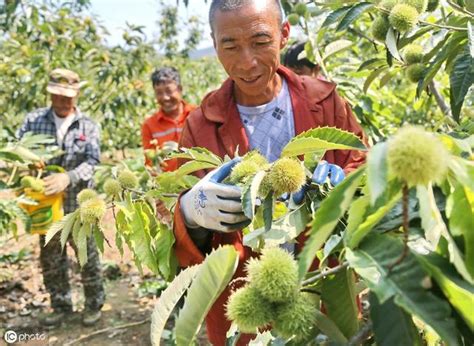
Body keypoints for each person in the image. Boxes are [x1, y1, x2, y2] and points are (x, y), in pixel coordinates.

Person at [173, 1, 368, 344]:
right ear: (214, 43)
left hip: (323, 278)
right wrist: (189, 212)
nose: (246, 62)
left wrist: (348, 186)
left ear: (284, 34)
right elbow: (182, 232)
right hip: (246, 296)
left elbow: (360, 165)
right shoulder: (200, 125)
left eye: (261, 42)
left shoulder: (326, 102)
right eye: (230, 46)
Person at [17, 68, 105, 327]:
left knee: (86, 255)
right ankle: (61, 305)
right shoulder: (34, 122)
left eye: (69, 95)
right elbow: (18, 150)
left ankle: (93, 304)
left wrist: (69, 177)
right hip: (46, 205)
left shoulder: (87, 125)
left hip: (78, 205)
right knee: (52, 257)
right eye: (58, 94)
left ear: (77, 94)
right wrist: (29, 161)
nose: (63, 100)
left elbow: (93, 161)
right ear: (50, 93)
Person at [141, 67, 196, 172]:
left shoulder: (197, 114)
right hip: (169, 185)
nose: (165, 97)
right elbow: (151, 163)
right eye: (159, 93)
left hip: (201, 183)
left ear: (180, 89)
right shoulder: (149, 125)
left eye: (169, 91)